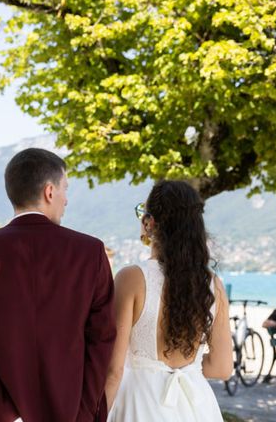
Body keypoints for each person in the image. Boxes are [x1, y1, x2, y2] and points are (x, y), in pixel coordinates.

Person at [0, 148, 116, 422]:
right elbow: (102, 340)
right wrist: (82, 412)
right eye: (65, 188)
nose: (66, 200)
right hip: (71, 411)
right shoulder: (91, 252)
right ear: (50, 192)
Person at [105, 180, 232, 421]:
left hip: (139, 404)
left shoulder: (132, 278)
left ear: (149, 223)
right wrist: (187, 365)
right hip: (197, 406)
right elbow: (222, 368)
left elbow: (113, 370)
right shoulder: (213, 285)